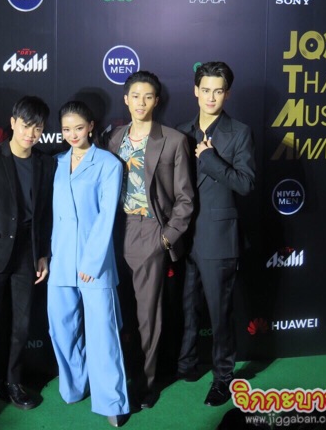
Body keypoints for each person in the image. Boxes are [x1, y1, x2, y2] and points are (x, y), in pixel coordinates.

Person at [106, 70, 194, 408]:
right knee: (119, 313)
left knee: (148, 315)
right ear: (125, 99)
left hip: (151, 232)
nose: (141, 102)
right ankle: (121, 377)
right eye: (135, 96)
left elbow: (185, 199)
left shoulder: (173, 140)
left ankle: (146, 383)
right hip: (116, 231)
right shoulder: (114, 138)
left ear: (156, 100)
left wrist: (166, 239)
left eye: (147, 96)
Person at [0, 96, 56, 424]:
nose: (31, 133)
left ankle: (13, 383)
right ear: (13, 122)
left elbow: (45, 215)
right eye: (26, 125)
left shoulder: (46, 164)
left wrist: (43, 254)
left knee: (21, 324)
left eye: (38, 127)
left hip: (27, 254)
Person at [175, 61, 256, 406]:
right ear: (196, 91)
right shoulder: (180, 131)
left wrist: (210, 159)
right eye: (205, 90)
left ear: (227, 94)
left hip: (219, 236)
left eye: (218, 91)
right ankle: (187, 364)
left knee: (219, 312)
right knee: (188, 306)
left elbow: (246, 183)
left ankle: (223, 377)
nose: (211, 97)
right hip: (184, 235)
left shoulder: (239, 132)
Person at [48, 101, 130, 428]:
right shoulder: (56, 163)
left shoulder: (108, 164)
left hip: (94, 263)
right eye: (66, 129)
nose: (72, 135)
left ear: (91, 126)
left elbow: (107, 216)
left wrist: (92, 261)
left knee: (102, 334)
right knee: (61, 329)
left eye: (78, 128)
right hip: (60, 260)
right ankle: (74, 386)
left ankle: (111, 400)